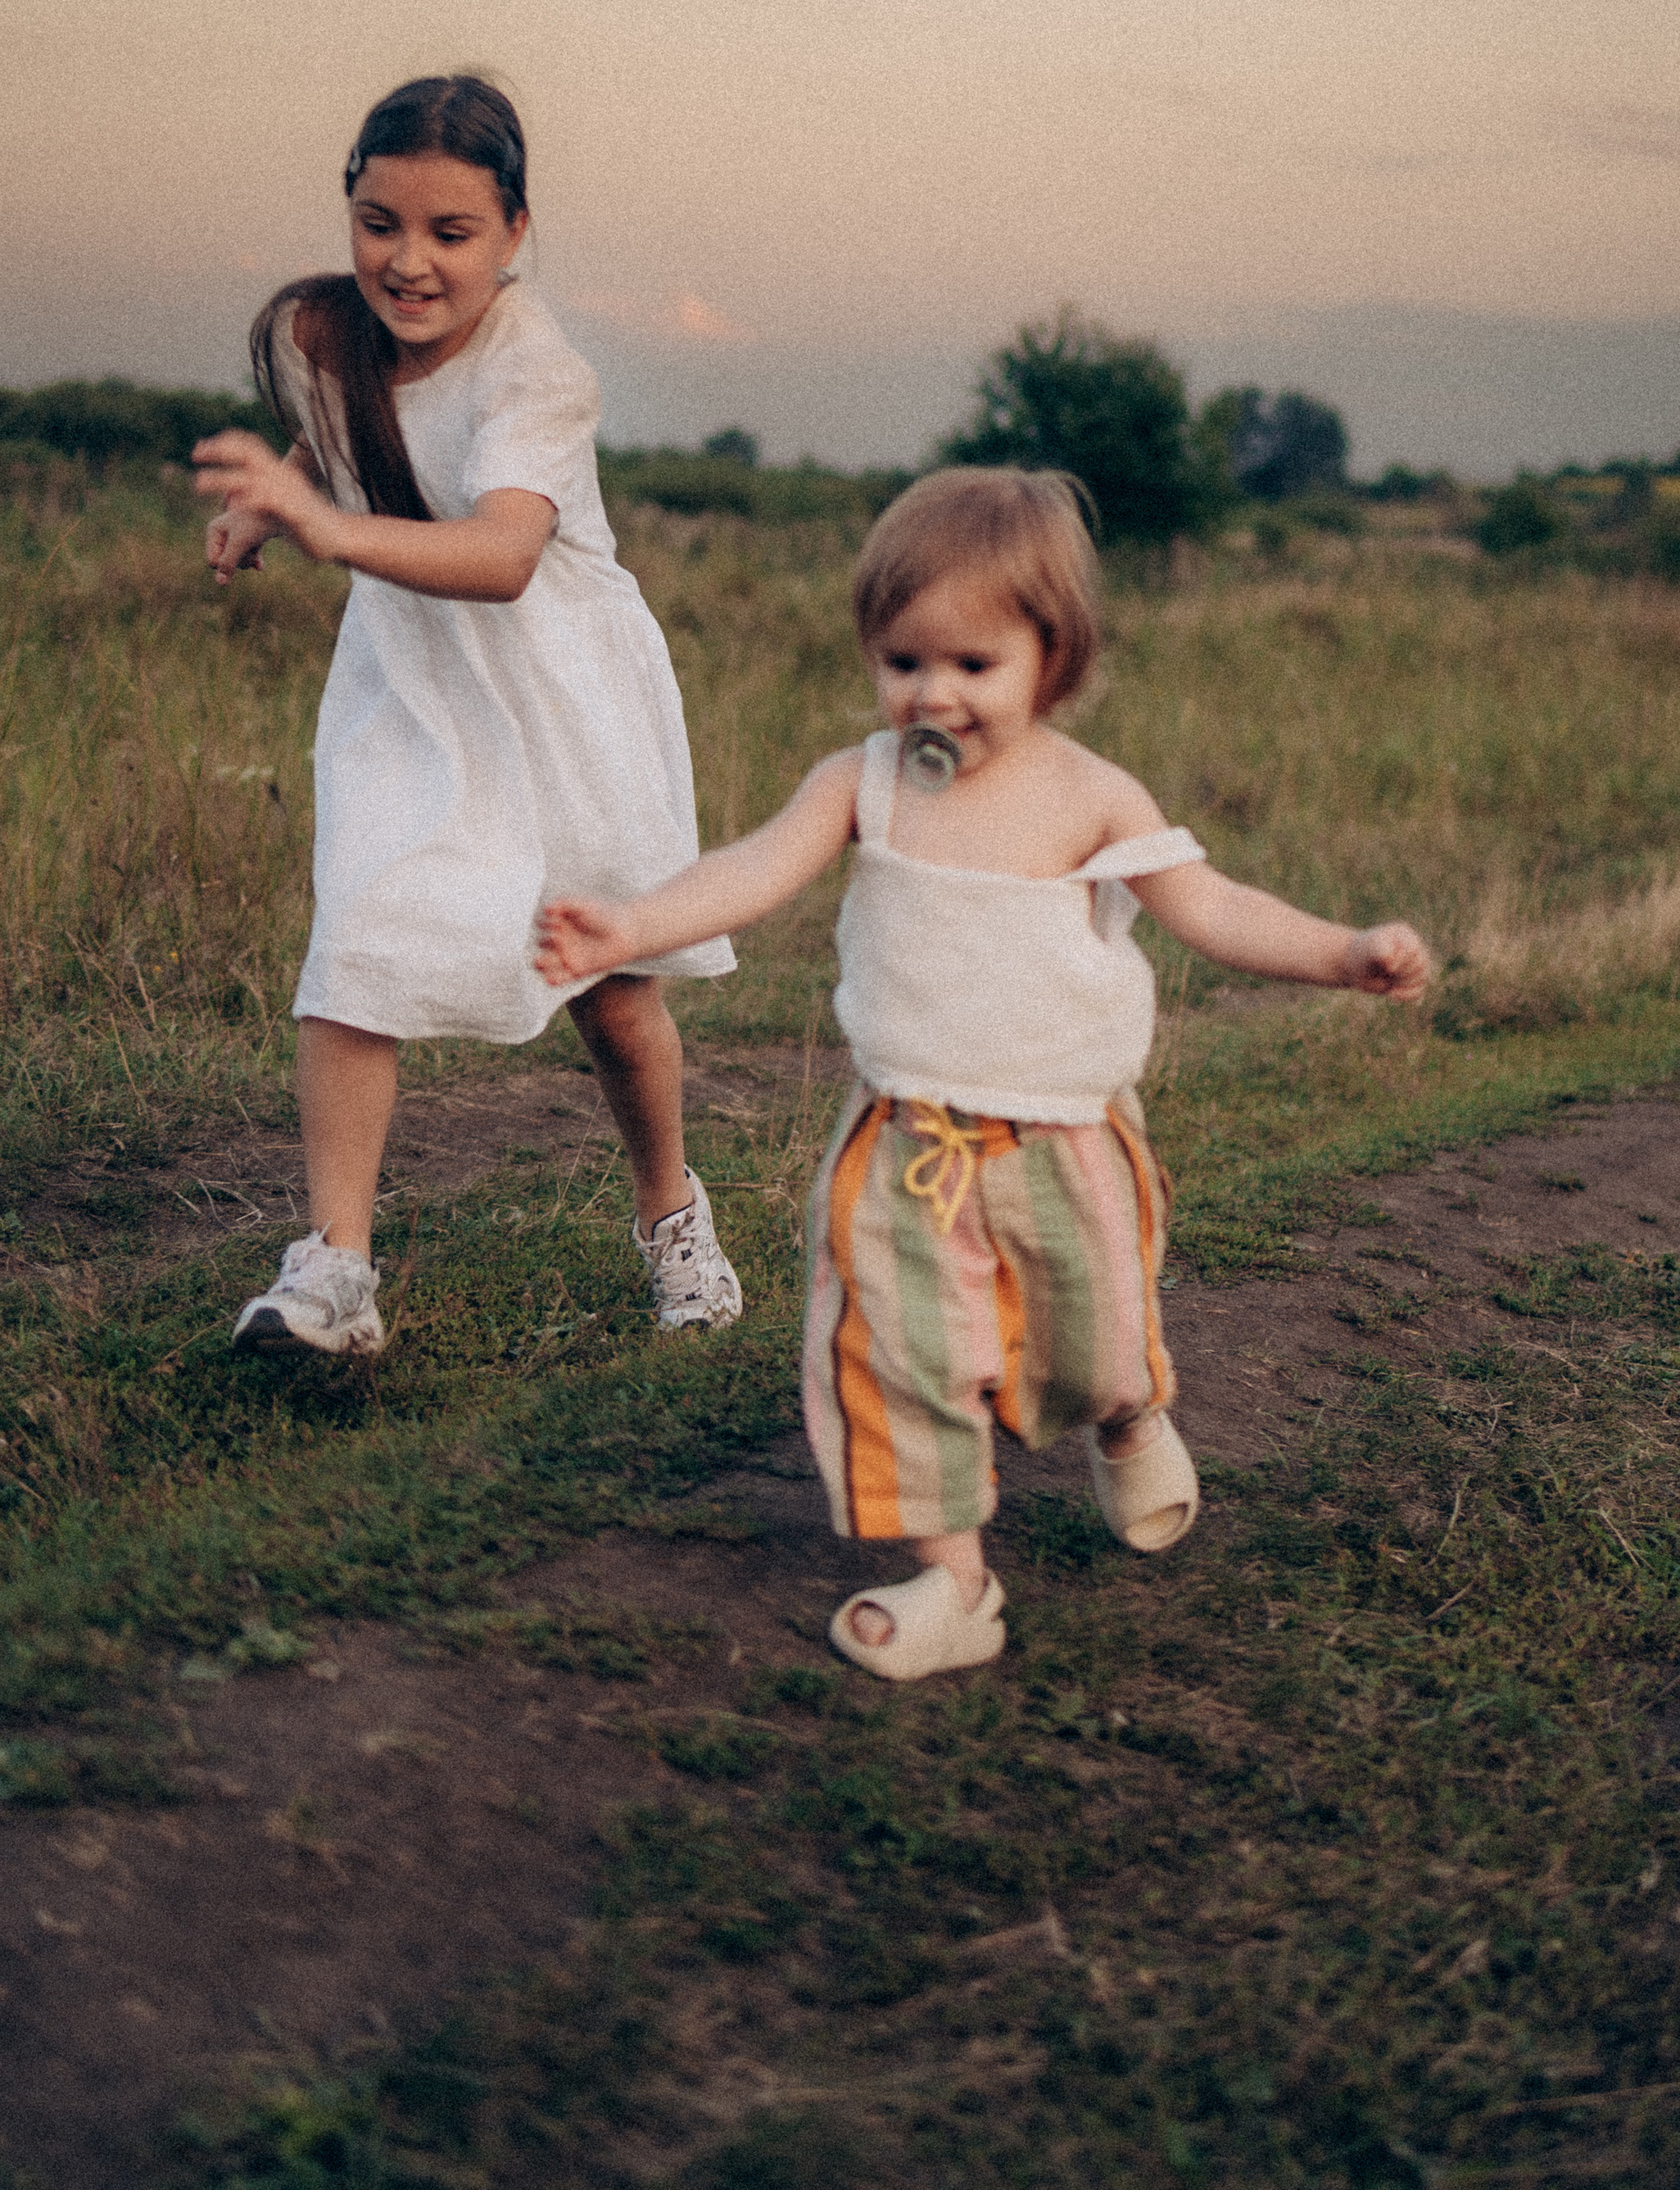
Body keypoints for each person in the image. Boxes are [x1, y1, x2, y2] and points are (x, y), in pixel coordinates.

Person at [534, 466, 1433, 1681]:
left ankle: (1128, 1419)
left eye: (973, 666)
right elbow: (750, 869)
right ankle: (956, 1580)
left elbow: (1210, 906)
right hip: (904, 1142)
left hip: (1062, 1138)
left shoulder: (1089, 793)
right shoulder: (862, 782)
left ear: (1052, 660)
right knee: (899, 1356)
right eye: (904, 664)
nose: (933, 697)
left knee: (1089, 1339)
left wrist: (1342, 954)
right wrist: (630, 928)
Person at [192, 75, 743, 1358]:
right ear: (349, 207)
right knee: (357, 946)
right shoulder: (319, 342)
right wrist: (275, 509)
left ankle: (674, 1222)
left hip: (563, 701)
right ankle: (335, 1271)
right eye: (381, 222)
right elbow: (355, 464)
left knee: (609, 995)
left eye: (452, 233)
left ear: (514, 231)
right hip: (413, 688)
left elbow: (500, 554)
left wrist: (325, 526)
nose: (410, 261)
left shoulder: (540, 369)